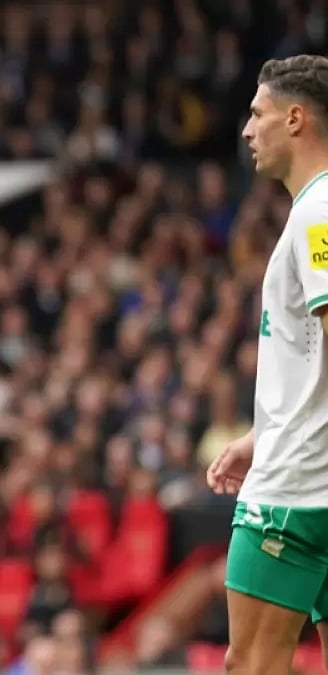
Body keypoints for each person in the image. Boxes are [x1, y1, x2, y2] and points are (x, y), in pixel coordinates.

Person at [207, 54, 328, 674]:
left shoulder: (318, 212)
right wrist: (262, 434)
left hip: (295, 495)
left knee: (250, 665)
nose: (248, 130)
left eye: (258, 115)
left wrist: (285, 445)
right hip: (310, 476)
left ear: (297, 119)